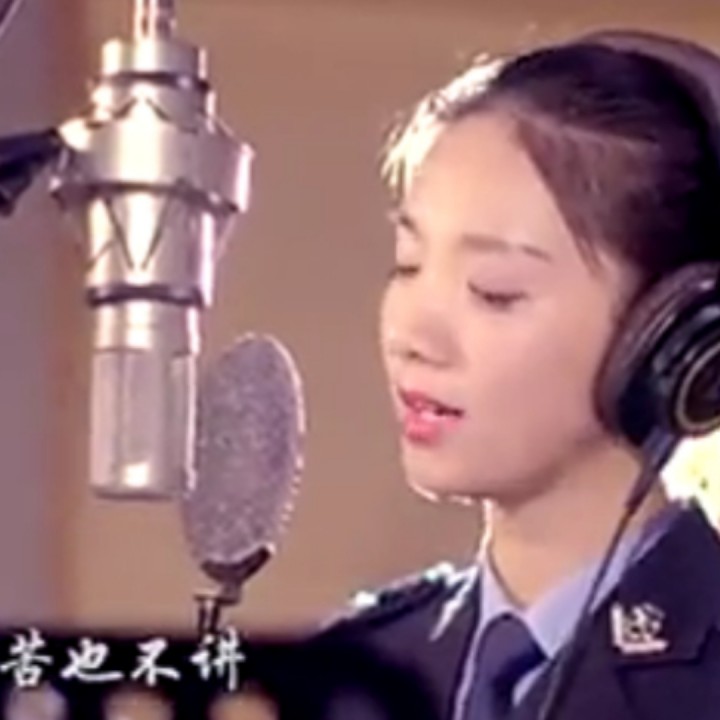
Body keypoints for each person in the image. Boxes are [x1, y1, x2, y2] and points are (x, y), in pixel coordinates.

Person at [247, 28, 720, 720]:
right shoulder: (348, 675)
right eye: (407, 265)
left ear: (671, 332)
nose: (413, 338)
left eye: (494, 291)